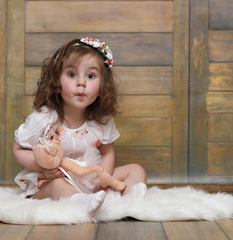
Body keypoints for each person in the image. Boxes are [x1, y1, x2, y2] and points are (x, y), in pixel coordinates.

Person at [13, 37, 147, 216]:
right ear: (57, 84)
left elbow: (107, 152)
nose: (81, 82)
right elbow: (18, 148)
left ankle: (130, 201)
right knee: (57, 186)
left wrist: (103, 179)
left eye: (90, 76)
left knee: (136, 170)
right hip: (50, 179)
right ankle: (79, 202)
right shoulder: (44, 118)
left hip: (88, 178)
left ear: (101, 88)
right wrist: (43, 168)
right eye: (72, 74)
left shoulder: (101, 119)